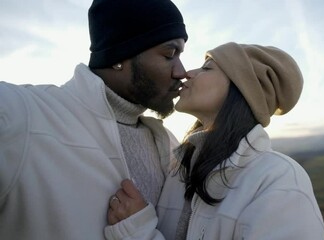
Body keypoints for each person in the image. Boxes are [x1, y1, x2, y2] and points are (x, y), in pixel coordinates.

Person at [0, 0, 188, 239]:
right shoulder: (24, 115)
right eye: (170, 53)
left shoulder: (169, 144)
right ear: (120, 55)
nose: (181, 71)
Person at [105, 42, 324, 239]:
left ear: (242, 89)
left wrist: (138, 231)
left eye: (206, 68)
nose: (187, 73)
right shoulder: (178, 170)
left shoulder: (278, 180)